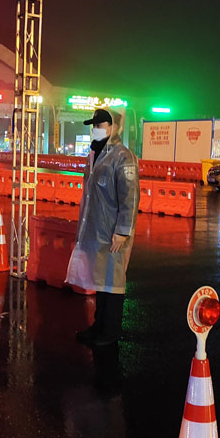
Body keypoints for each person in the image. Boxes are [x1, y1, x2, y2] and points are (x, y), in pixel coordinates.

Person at [66, 108, 139, 346]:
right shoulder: (94, 154)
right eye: (94, 126)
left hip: (113, 233)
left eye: (100, 125)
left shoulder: (123, 157)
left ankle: (110, 332)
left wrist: (122, 231)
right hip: (96, 230)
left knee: (113, 282)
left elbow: (130, 198)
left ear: (114, 128)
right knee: (100, 280)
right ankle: (99, 326)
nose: (95, 129)